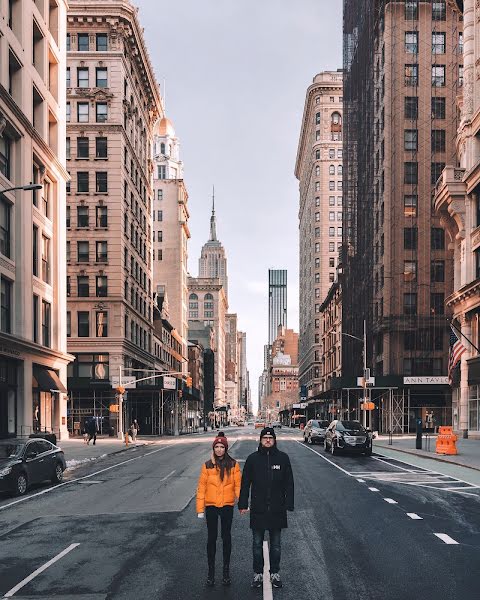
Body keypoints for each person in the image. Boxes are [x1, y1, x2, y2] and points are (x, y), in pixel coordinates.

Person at [238, 426, 294, 589]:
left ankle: (275, 573)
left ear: (274, 440)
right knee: (256, 544)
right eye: (265, 438)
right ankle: (258, 574)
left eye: (270, 438)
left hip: (277, 509)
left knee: (276, 545)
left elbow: (289, 483)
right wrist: (242, 503)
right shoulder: (252, 459)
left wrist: (289, 503)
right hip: (258, 508)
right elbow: (245, 483)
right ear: (261, 440)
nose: (268, 440)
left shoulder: (283, 458)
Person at [196, 434, 241, 587]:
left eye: (222, 447)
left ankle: (226, 571)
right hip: (211, 506)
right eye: (217, 447)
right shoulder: (207, 465)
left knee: (226, 537)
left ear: (226, 448)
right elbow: (201, 488)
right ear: (213, 448)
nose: (219, 449)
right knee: (211, 539)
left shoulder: (233, 465)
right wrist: (200, 509)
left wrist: (242, 504)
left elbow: (238, 486)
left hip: (227, 506)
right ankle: (211, 572)